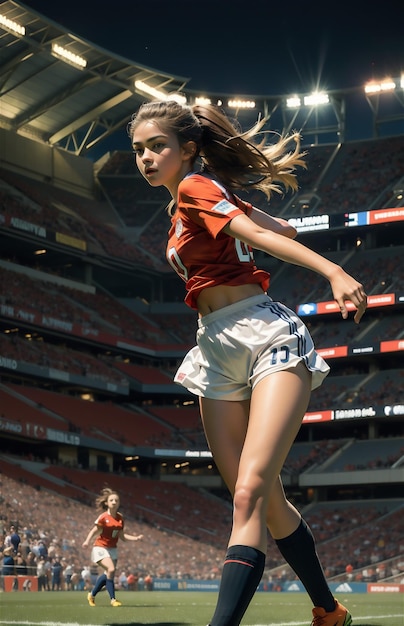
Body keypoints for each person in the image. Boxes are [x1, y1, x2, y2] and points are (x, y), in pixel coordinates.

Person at [128, 99, 368, 626]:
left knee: (250, 490)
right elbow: (280, 229)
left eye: (157, 146)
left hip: (263, 335)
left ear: (188, 149)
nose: (145, 157)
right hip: (215, 347)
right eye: (139, 150)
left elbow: (262, 238)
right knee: (264, 498)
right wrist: (253, 213)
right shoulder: (189, 202)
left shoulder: (194, 188)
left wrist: (333, 271)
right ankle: (329, 611)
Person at [82, 487, 143, 607]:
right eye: (112, 500)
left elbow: (122, 537)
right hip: (100, 547)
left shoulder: (120, 518)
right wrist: (87, 541)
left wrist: (135, 538)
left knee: (108, 574)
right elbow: (94, 530)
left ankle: (92, 595)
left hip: (112, 549)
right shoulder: (103, 517)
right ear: (107, 503)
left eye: (117, 500)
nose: (114, 502)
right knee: (111, 570)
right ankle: (113, 600)